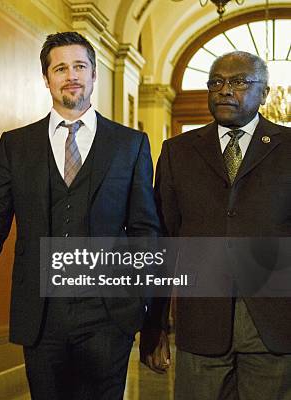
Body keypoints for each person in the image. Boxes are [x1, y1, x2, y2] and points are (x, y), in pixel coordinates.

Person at [0, 31, 160, 399]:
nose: (71, 75)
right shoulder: (16, 145)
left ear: (94, 74)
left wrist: (143, 295)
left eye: (80, 66)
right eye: (61, 68)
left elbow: (145, 227)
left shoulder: (129, 144)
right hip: (41, 311)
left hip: (108, 311)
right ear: (46, 78)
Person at [143, 51, 291, 399]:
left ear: (265, 93)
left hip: (275, 326)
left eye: (239, 81)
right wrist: (155, 323)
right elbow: (164, 242)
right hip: (200, 325)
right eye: (216, 82)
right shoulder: (177, 151)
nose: (225, 90)